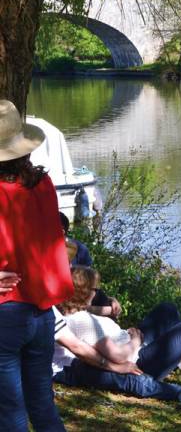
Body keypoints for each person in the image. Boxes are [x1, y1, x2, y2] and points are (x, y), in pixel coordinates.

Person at [60, 266, 181, 405]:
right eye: (95, 289)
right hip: (139, 360)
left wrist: (128, 332)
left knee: (167, 310)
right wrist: (136, 340)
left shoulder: (76, 312)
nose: (97, 292)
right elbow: (119, 357)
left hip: (132, 344)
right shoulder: (82, 321)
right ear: (84, 292)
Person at [0, 100, 74, 432]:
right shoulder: (41, 185)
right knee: (41, 402)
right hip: (41, 312)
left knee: (10, 411)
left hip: (6, 312)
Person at [51, 305, 181, 405]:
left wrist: (110, 307)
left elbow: (79, 306)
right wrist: (135, 342)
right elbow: (82, 348)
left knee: (167, 309)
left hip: (126, 342)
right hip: (133, 357)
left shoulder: (56, 306)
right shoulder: (59, 320)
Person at [59, 212, 122, 319]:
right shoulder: (41, 254)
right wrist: (107, 310)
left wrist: (110, 300)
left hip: (79, 300)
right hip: (64, 305)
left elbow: (89, 285)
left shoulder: (78, 249)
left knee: (101, 297)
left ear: (62, 230)